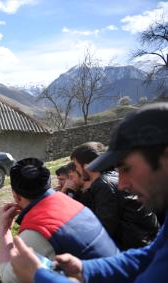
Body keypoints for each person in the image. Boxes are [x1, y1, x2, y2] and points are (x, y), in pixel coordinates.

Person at [9, 102, 168, 283]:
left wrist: (40, 276)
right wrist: (85, 269)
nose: (122, 184)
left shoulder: (105, 186)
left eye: (128, 169)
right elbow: (148, 256)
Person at [0, 158, 118, 283]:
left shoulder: (37, 231)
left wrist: (4, 230)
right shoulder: (70, 202)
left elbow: (8, 278)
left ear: (16, 196)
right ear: (48, 183)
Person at [71, 142, 159, 250]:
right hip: (146, 242)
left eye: (76, 166)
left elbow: (103, 228)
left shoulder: (104, 184)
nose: (77, 170)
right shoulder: (112, 178)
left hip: (138, 248)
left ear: (87, 166)